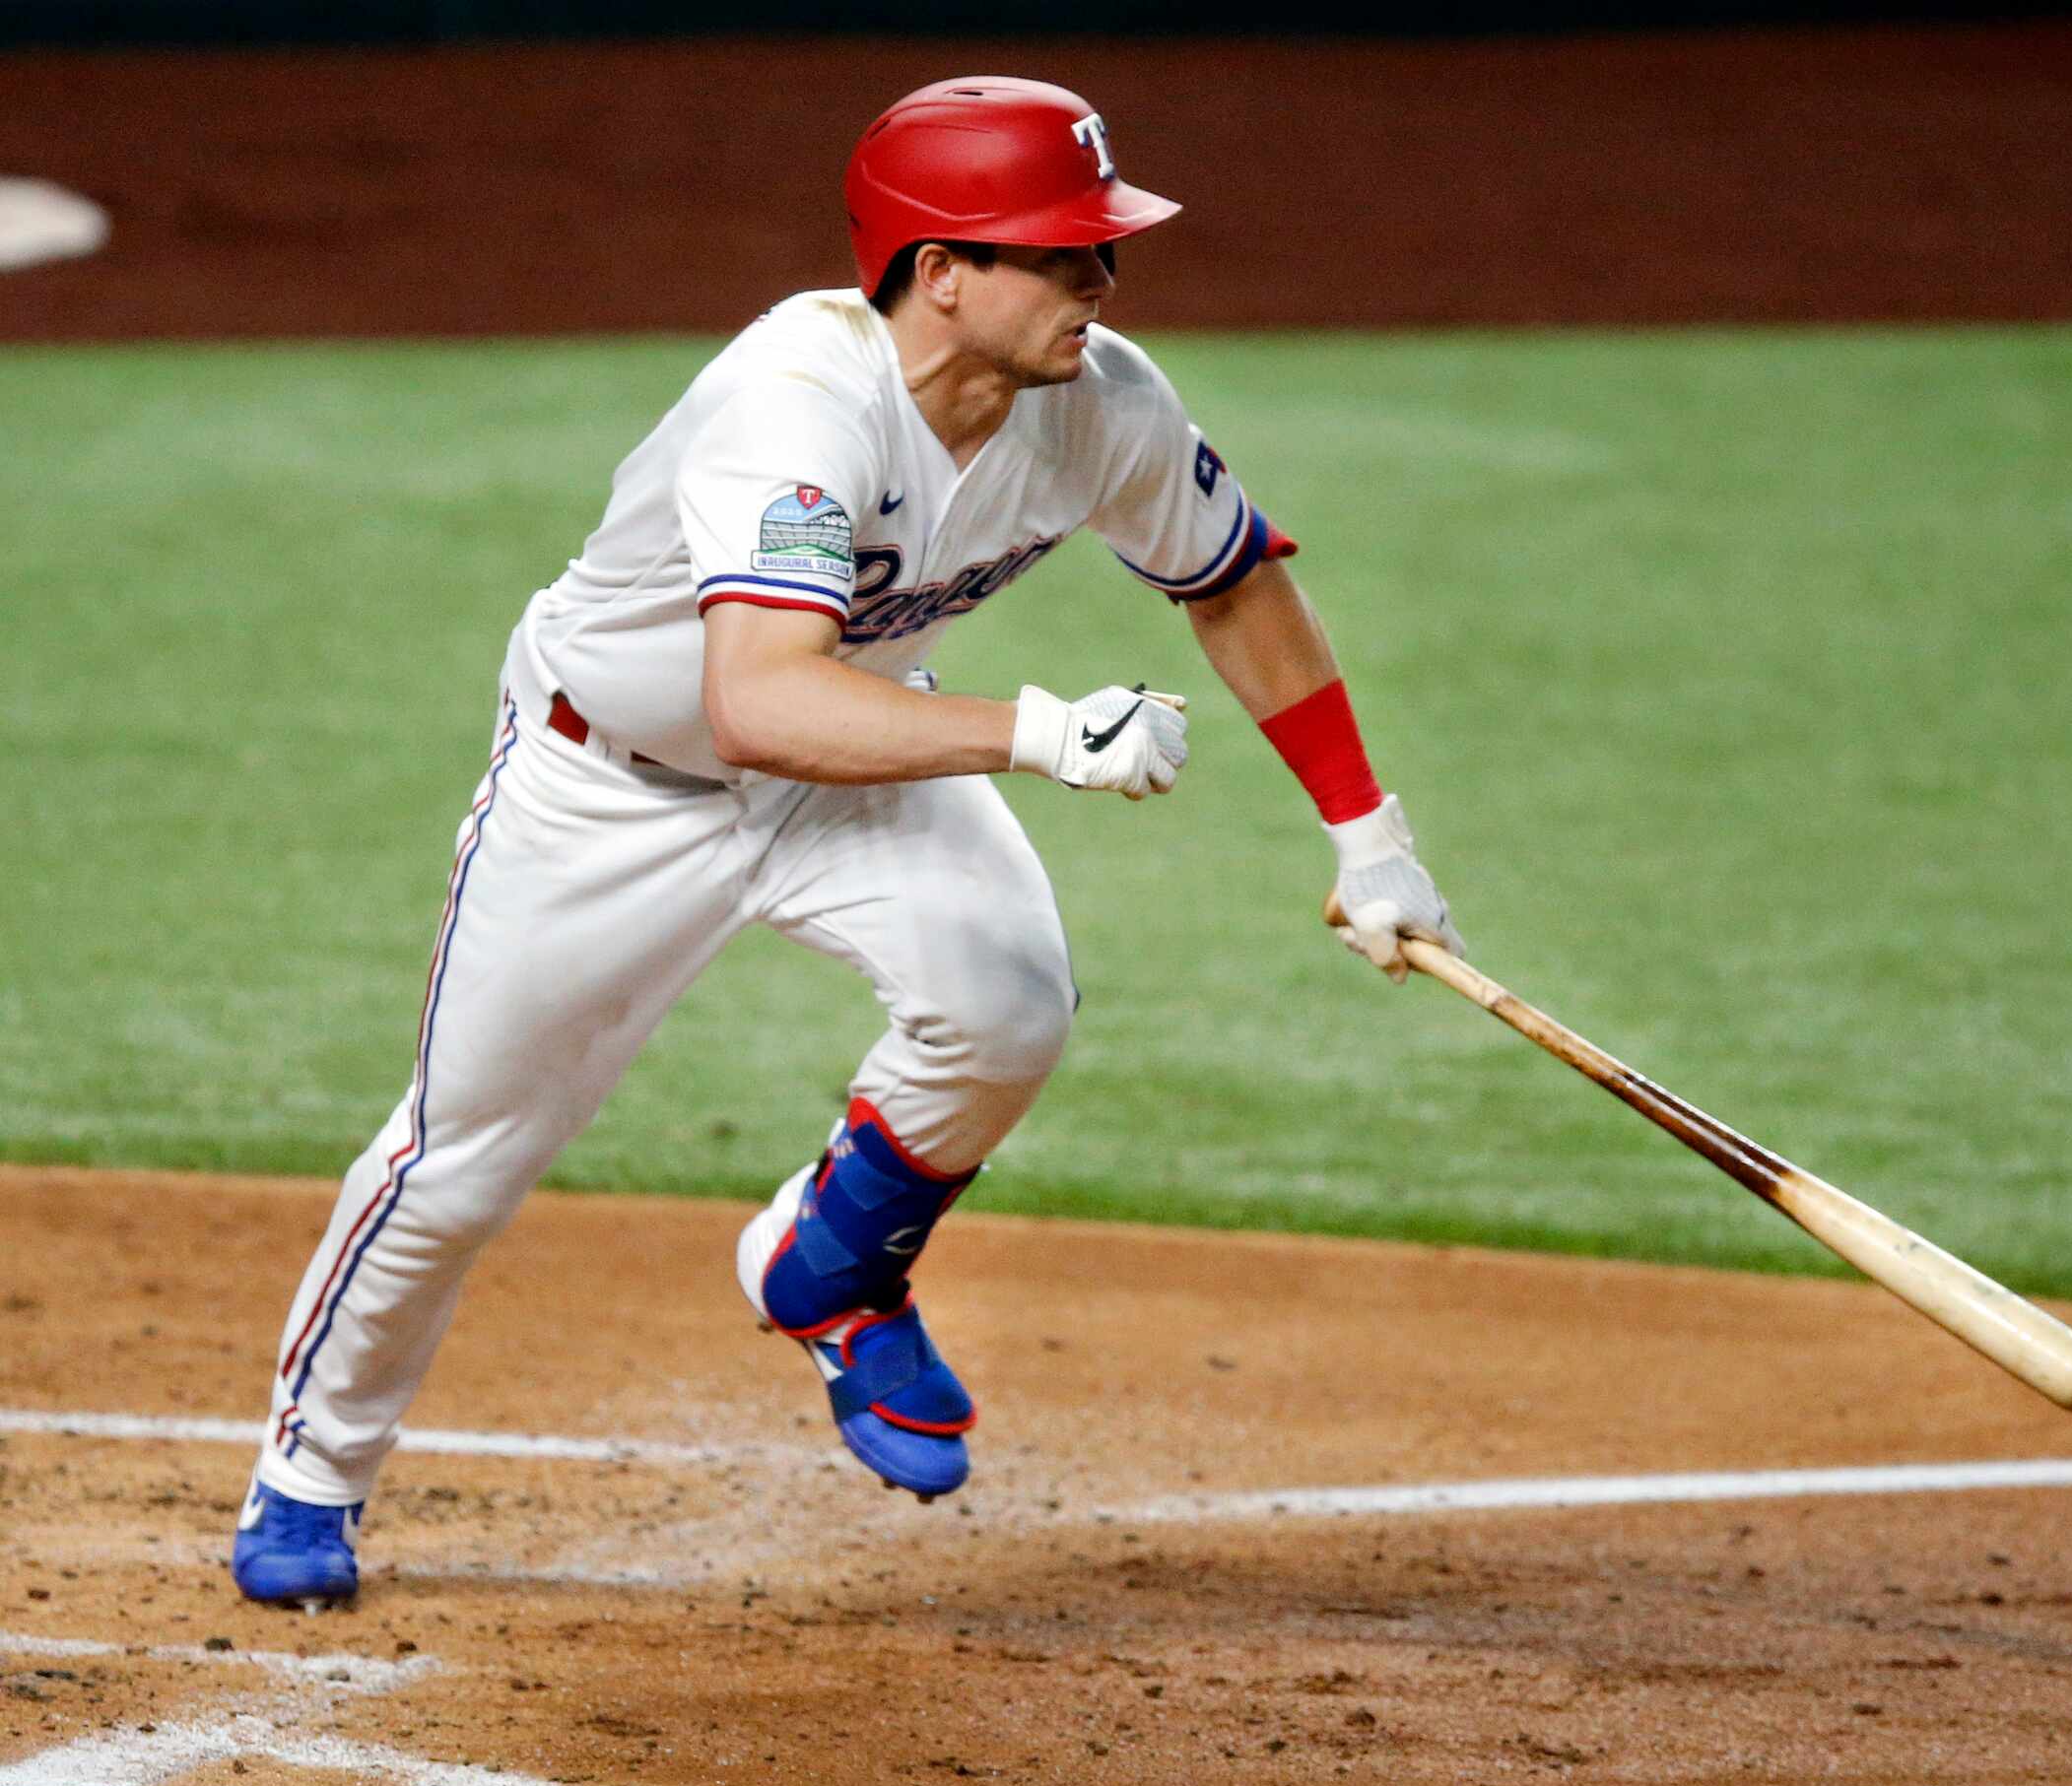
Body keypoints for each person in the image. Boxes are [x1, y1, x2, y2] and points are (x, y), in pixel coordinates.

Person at [230, 76, 1463, 1610]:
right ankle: (311, 1468)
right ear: (940, 269)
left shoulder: (1106, 401)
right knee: (465, 1154)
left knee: (1008, 1004)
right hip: (609, 787)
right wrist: (1036, 731)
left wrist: (1370, 831)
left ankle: (829, 1264)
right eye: (1062, 251)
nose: (1104, 279)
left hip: (862, 743)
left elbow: (1231, 583)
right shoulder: (793, 404)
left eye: (1105, 246)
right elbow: (754, 700)